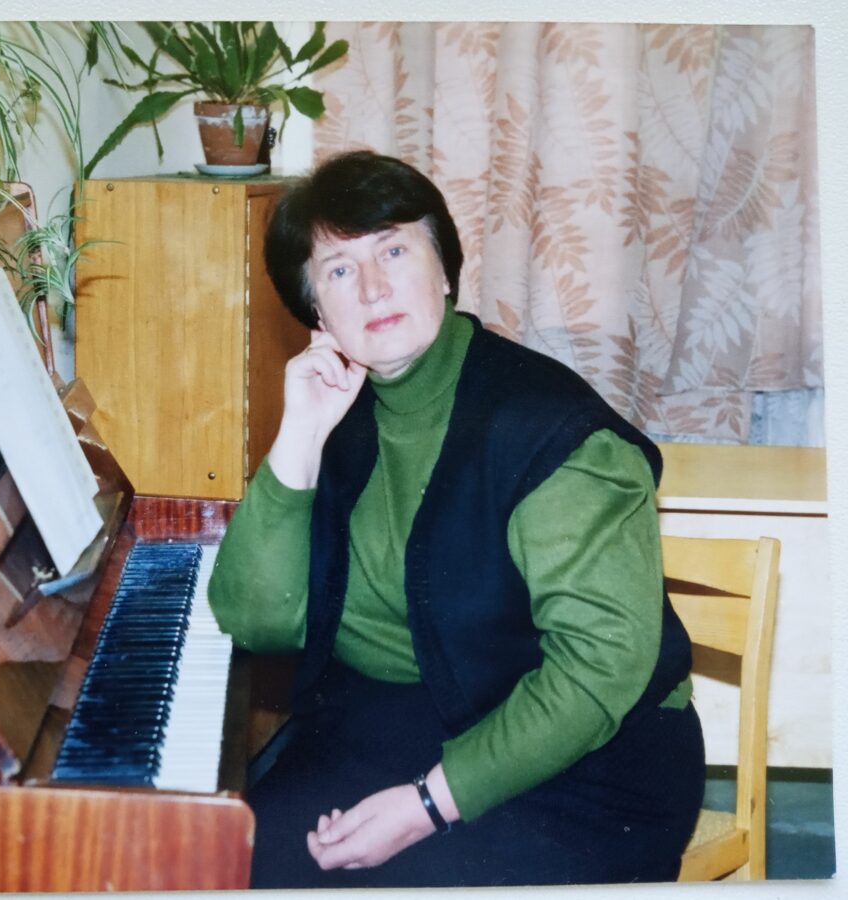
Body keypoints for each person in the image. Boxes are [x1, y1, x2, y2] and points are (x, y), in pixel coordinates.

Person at [207, 150, 705, 889]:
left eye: (394, 251)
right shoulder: (338, 408)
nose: (372, 287)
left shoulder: (550, 431)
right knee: (229, 863)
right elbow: (256, 621)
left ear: (444, 269)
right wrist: (299, 434)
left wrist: (425, 805)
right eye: (339, 270)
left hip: (584, 754)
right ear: (317, 311)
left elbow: (600, 668)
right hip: (405, 718)